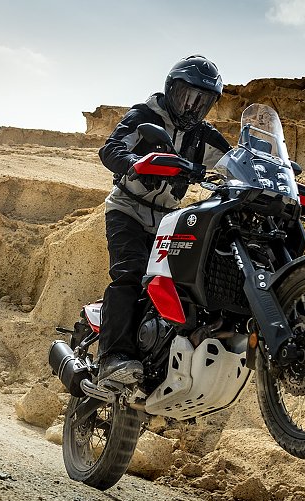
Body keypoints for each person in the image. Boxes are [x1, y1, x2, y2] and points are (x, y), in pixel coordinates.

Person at [96, 55, 232, 384]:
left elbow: (234, 161)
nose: (192, 107)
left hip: (169, 220)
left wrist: (266, 171)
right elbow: (110, 148)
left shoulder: (203, 135)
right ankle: (112, 356)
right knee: (130, 273)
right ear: (171, 89)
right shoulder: (144, 116)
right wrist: (134, 163)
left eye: (202, 102)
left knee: (185, 284)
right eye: (187, 96)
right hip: (127, 209)